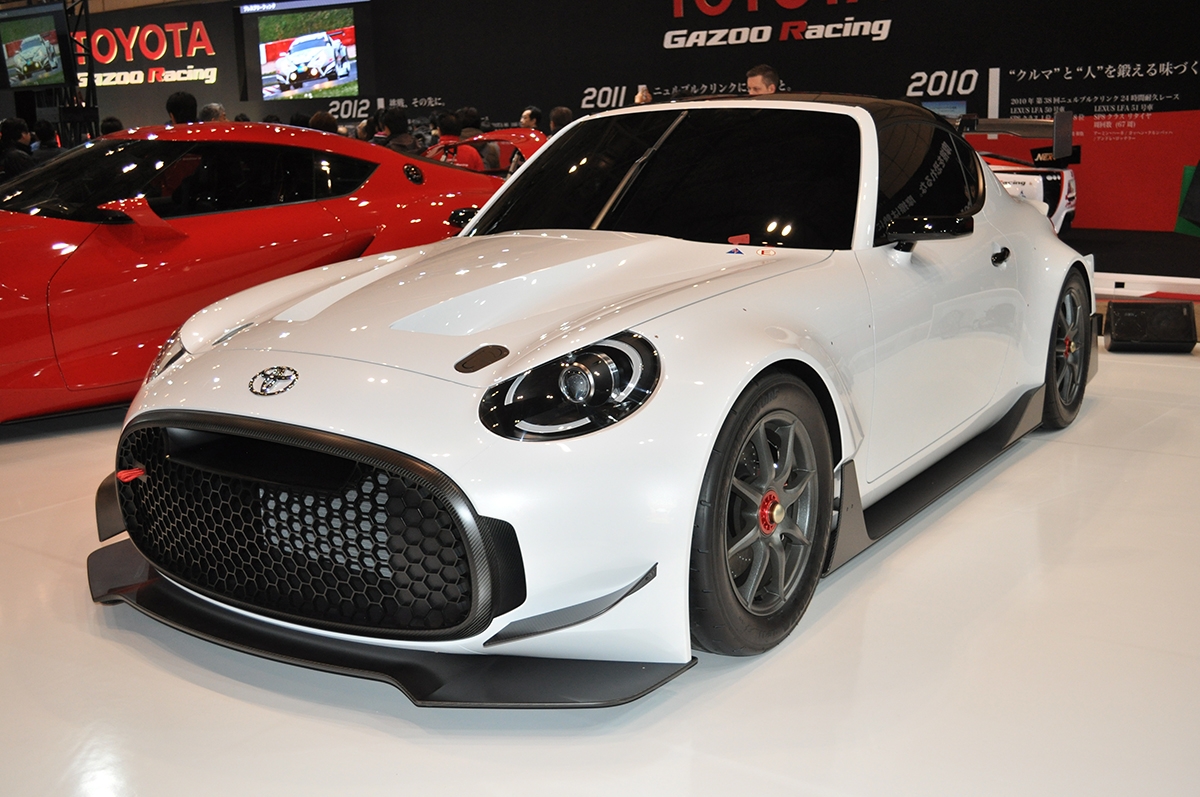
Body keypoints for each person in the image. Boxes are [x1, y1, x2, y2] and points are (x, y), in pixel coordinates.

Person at [0, 117, 35, 183]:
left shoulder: (4, 152)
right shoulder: (19, 157)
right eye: (28, 132)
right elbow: (33, 181)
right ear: (23, 134)